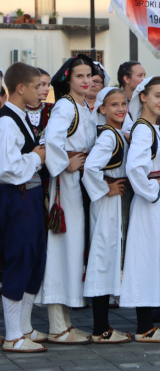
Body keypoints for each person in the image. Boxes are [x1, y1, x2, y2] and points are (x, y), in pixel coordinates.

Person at [37, 54, 97, 345]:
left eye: (89, 75)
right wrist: (65, 164)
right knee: (62, 250)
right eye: (80, 76)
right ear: (68, 80)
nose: (86, 81)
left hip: (76, 185)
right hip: (65, 186)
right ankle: (57, 325)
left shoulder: (82, 106)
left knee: (73, 251)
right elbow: (51, 139)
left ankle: (65, 323)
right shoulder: (65, 105)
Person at [121, 76, 160, 342]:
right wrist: (154, 189)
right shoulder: (144, 129)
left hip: (156, 203)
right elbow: (135, 167)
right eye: (157, 95)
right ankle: (144, 327)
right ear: (143, 97)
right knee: (145, 259)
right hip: (149, 205)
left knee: (152, 258)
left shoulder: (152, 128)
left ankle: (147, 324)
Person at [0, 63, 47, 353]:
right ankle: (13, 335)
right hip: (17, 198)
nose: (40, 92)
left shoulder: (20, 117)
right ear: (21, 88)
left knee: (34, 261)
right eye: (35, 86)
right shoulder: (6, 121)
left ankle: (25, 327)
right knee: (19, 260)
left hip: (30, 197)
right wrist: (36, 158)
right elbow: (7, 168)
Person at [81, 87, 133, 344]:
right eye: (114, 105)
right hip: (106, 204)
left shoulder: (116, 134)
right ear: (102, 109)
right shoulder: (108, 137)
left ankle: (103, 326)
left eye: (123, 103)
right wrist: (106, 188)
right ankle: (100, 329)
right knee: (102, 259)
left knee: (108, 258)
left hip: (112, 202)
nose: (121, 108)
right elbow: (90, 168)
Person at [25, 68, 53, 138]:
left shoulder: (52, 109)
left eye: (48, 85)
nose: (47, 89)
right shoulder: (18, 110)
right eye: (43, 84)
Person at [118, 61, 146, 132]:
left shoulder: (145, 100)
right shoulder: (115, 102)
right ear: (127, 79)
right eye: (140, 75)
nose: (144, 79)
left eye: (144, 75)